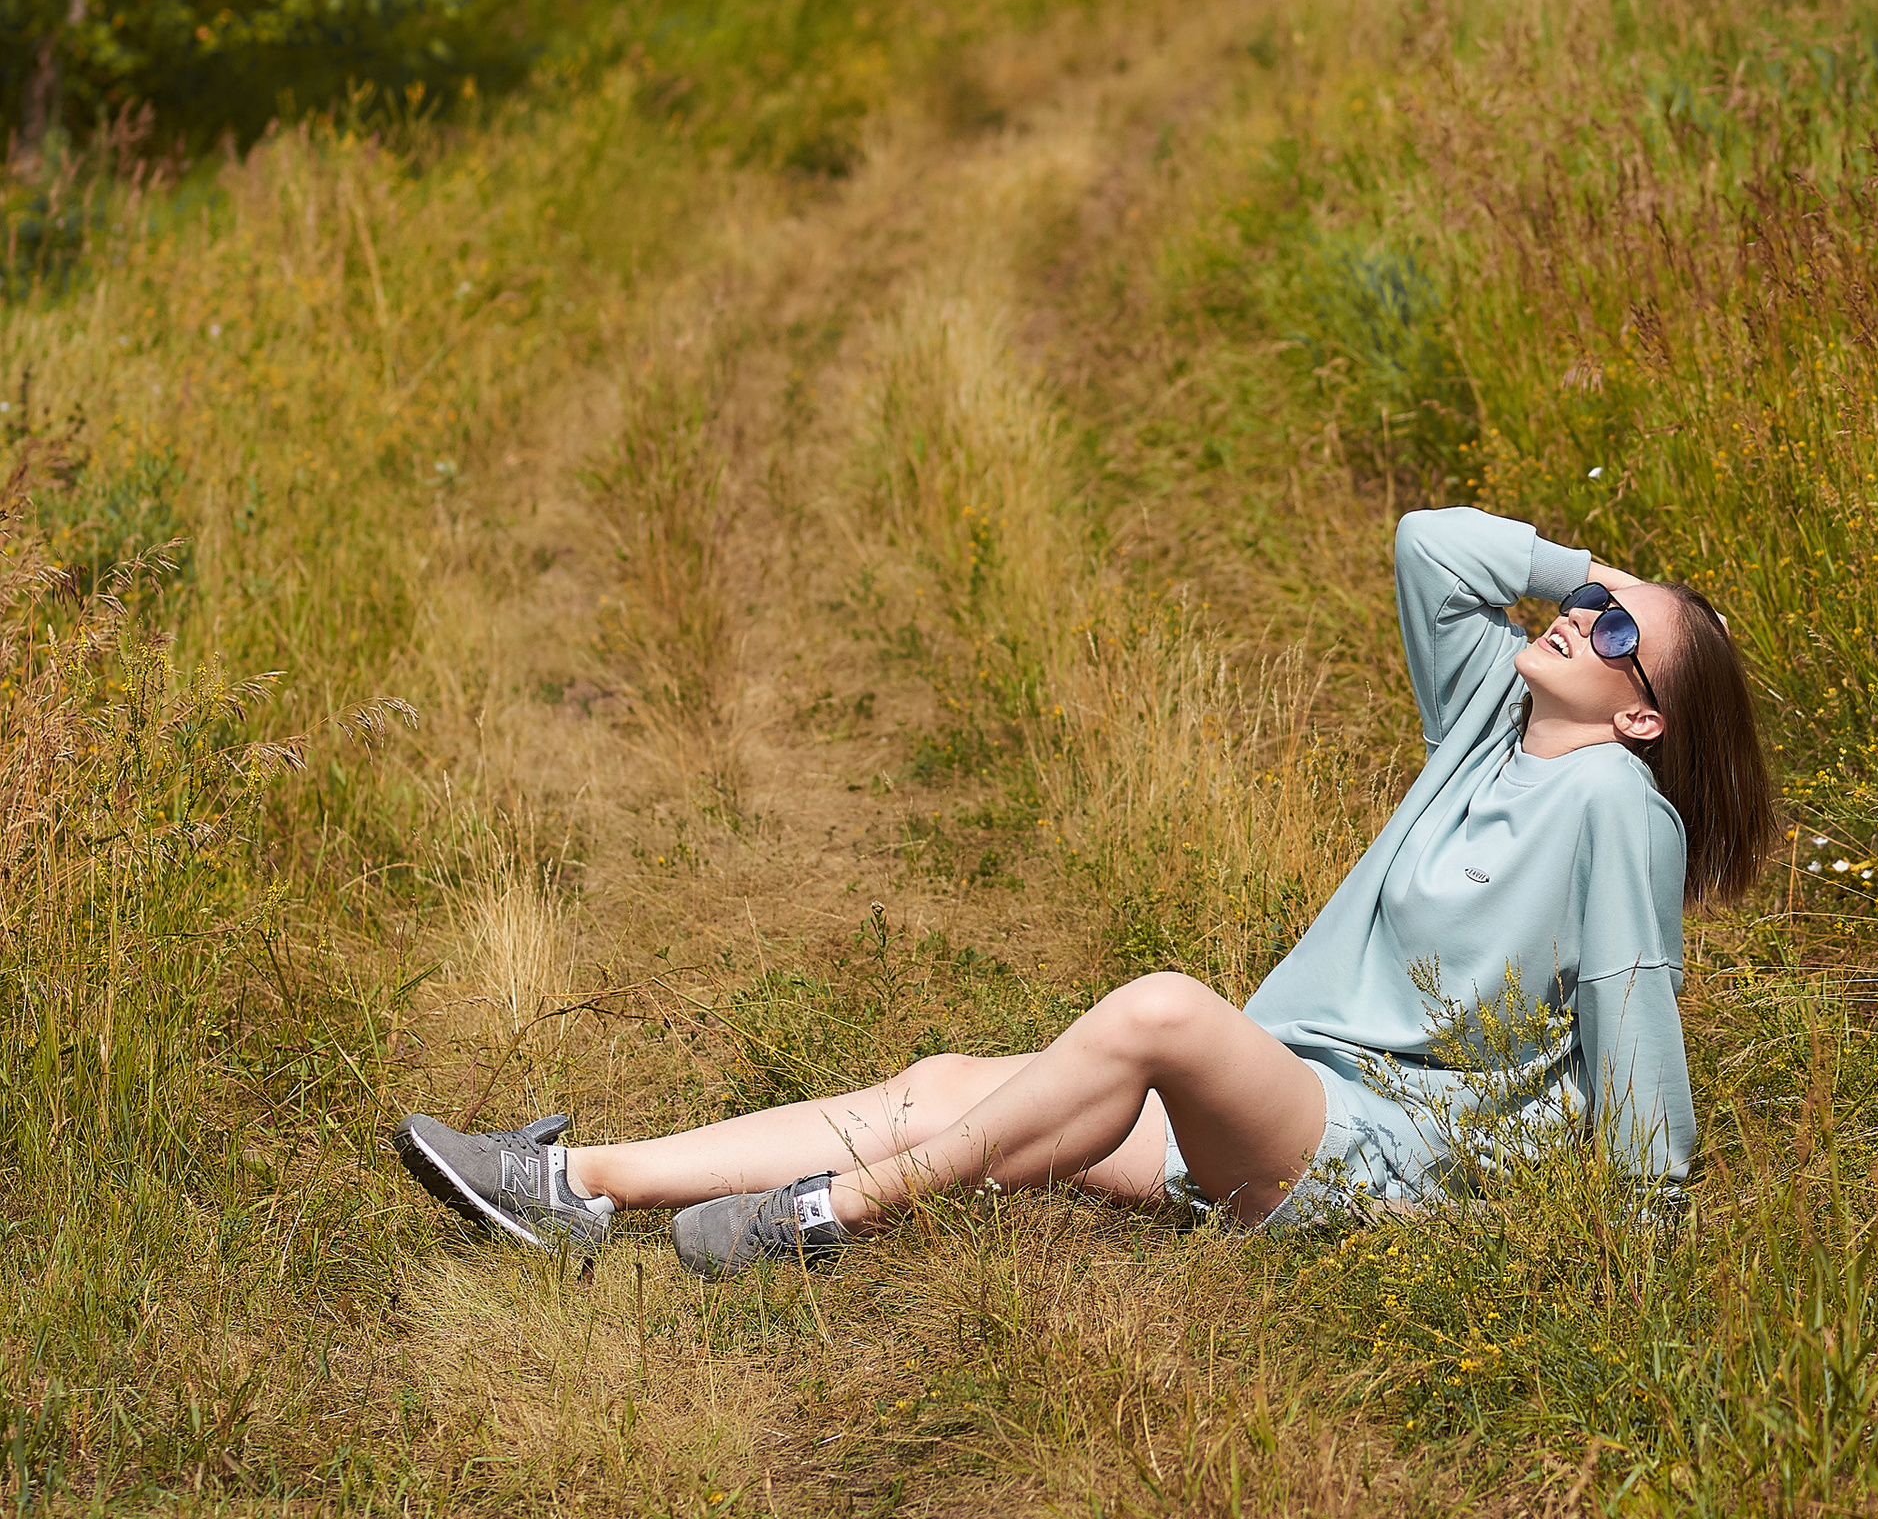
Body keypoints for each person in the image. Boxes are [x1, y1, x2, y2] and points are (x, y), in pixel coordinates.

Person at [393, 506, 1777, 1276]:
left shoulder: (1612, 807)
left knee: (1165, 1011)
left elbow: (1633, 1012)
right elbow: (1431, 544)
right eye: (1592, 602)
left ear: (1646, 720)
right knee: (944, 1084)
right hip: (1289, 1094)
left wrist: (1638, 1239)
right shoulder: (1488, 719)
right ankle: (572, 1183)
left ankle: (831, 1218)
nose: (1577, 620)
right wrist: (1605, 576)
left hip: (1389, 1157)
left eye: (1612, 633)